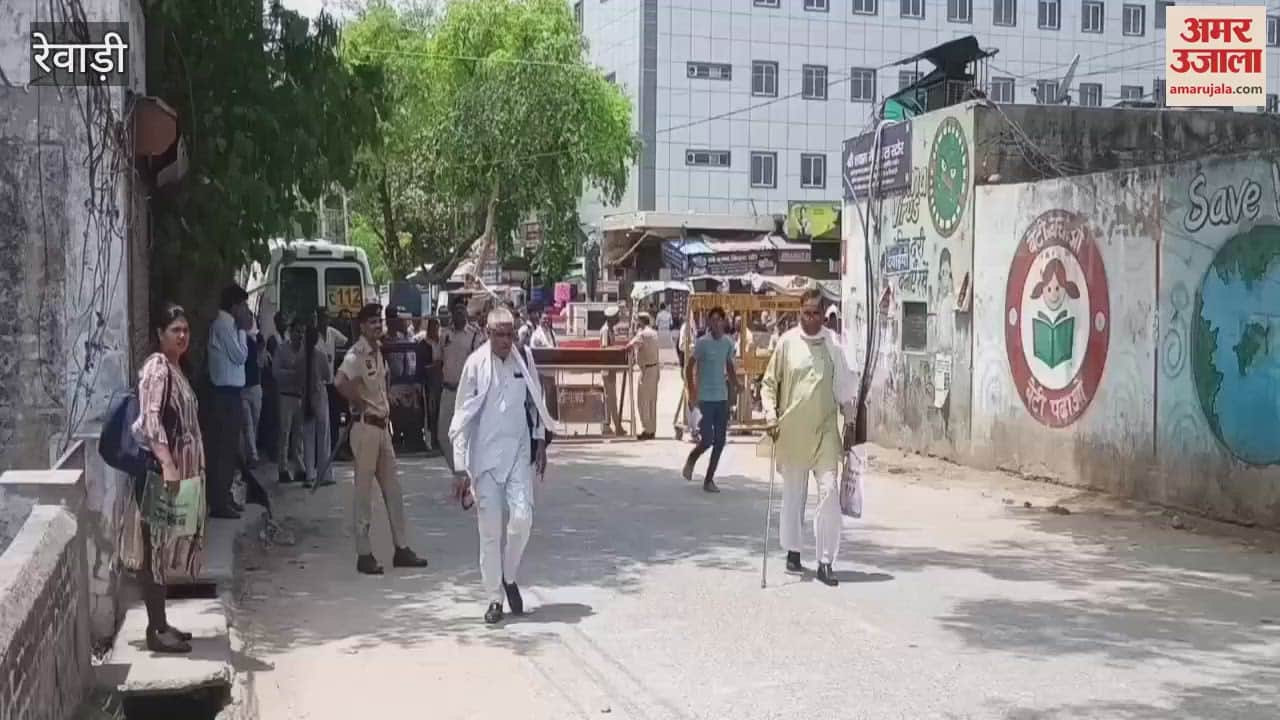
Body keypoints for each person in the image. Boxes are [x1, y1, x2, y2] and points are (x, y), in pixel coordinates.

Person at [449, 306, 561, 625]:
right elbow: (462, 416)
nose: (505, 340)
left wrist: (540, 442)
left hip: (517, 455)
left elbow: (536, 401)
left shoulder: (523, 360)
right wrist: (460, 467)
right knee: (490, 533)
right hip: (484, 461)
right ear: (487, 333)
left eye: (509, 333)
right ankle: (494, 598)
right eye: (499, 334)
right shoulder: (475, 366)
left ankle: (509, 575)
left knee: (523, 519)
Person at [120, 303, 205, 653]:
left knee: (164, 548)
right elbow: (151, 421)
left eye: (185, 329)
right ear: (160, 334)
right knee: (153, 550)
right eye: (175, 330)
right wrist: (168, 464)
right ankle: (156, 630)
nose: (182, 335)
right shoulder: (157, 368)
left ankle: (162, 622)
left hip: (179, 476)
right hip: (161, 475)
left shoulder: (177, 369)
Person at [761, 288, 858, 587]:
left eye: (816, 313)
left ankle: (825, 561)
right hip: (792, 429)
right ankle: (793, 549)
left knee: (828, 492)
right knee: (793, 494)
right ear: (799, 312)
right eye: (806, 313)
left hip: (826, 430)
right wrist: (770, 416)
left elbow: (845, 388)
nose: (811, 318)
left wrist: (851, 424)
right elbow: (768, 384)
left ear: (823, 313)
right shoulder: (787, 344)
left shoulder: (833, 345)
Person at [335, 303, 431, 575]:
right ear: (363, 326)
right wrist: (359, 402)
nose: (378, 325)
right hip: (365, 428)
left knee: (394, 491)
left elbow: (379, 385)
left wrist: (382, 400)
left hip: (382, 428)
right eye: (373, 322)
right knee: (364, 495)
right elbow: (340, 381)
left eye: (380, 321)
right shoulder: (356, 354)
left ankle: (401, 548)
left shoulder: (378, 353)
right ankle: (364, 554)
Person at [205, 284, 251, 519]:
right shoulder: (224, 324)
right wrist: (243, 331)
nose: (245, 309)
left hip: (231, 394)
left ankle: (223, 496)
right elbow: (239, 355)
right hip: (224, 394)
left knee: (231, 449)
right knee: (224, 449)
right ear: (234, 305)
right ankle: (219, 501)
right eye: (242, 304)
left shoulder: (230, 324)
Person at [681, 307, 738, 493]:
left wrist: (736, 386)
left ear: (723, 321)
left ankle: (709, 479)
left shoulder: (728, 343)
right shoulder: (702, 343)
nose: (715, 323)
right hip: (705, 398)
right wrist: (692, 393)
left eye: (718, 320)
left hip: (720, 398)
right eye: (711, 320)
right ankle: (692, 458)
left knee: (720, 441)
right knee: (707, 440)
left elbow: (729, 366)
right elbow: (689, 367)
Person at [439, 297, 484, 472]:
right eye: (455, 310)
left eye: (461, 309)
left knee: (467, 435)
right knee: (443, 435)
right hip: (448, 390)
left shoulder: (474, 335)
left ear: (466, 313)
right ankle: (459, 472)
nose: (458, 313)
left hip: (466, 393)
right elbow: (439, 362)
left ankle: (470, 474)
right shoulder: (445, 335)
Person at [272, 315, 307, 485]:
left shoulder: (305, 351)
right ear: (290, 332)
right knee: (284, 434)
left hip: (300, 397)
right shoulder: (281, 349)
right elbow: (276, 373)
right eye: (297, 331)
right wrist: (294, 374)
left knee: (299, 435)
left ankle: (299, 467)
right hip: (285, 396)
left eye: (302, 332)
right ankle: (283, 469)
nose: (300, 335)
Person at [301, 323, 335, 487]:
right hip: (320, 395)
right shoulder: (320, 355)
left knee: (308, 438)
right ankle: (325, 474)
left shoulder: (301, 357)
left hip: (305, 398)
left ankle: (309, 474)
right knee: (324, 436)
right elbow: (328, 377)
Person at [315, 307, 349, 452]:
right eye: (323, 317)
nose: (325, 320)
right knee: (320, 419)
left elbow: (346, 342)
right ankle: (319, 450)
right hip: (317, 383)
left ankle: (334, 448)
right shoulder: (313, 335)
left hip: (331, 381)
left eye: (327, 317)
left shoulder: (332, 333)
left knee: (334, 416)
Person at [625, 312, 661, 440]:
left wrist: (633, 335)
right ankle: (652, 429)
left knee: (643, 401)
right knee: (652, 401)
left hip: (646, 371)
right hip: (655, 369)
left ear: (640, 322)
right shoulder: (654, 333)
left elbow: (629, 346)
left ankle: (647, 429)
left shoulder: (642, 334)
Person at [241, 320, 265, 467]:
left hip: (256, 386)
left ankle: (250, 453)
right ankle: (253, 456)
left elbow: (261, 363)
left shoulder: (258, 338)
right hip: (243, 388)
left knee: (254, 422)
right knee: (248, 424)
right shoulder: (239, 338)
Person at [529, 308, 560, 419]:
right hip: (541, 370)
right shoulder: (536, 335)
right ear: (540, 320)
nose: (546, 321)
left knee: (551, 396)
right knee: (542, 396)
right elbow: (534, 353)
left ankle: (550, 418)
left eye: (548, 319)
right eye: (544, 319)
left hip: (551, 369)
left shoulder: (552, 333)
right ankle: (542, 419)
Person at [600, 306, 625, 436]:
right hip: (607, 369)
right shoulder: (605, 331)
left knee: (610, 398)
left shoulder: (610, 330)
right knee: (611, 399)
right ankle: (615, 426)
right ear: (611, 318)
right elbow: (605, 349)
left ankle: (607, 425)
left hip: (611, 368)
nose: (618, 319)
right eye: (616, 317)